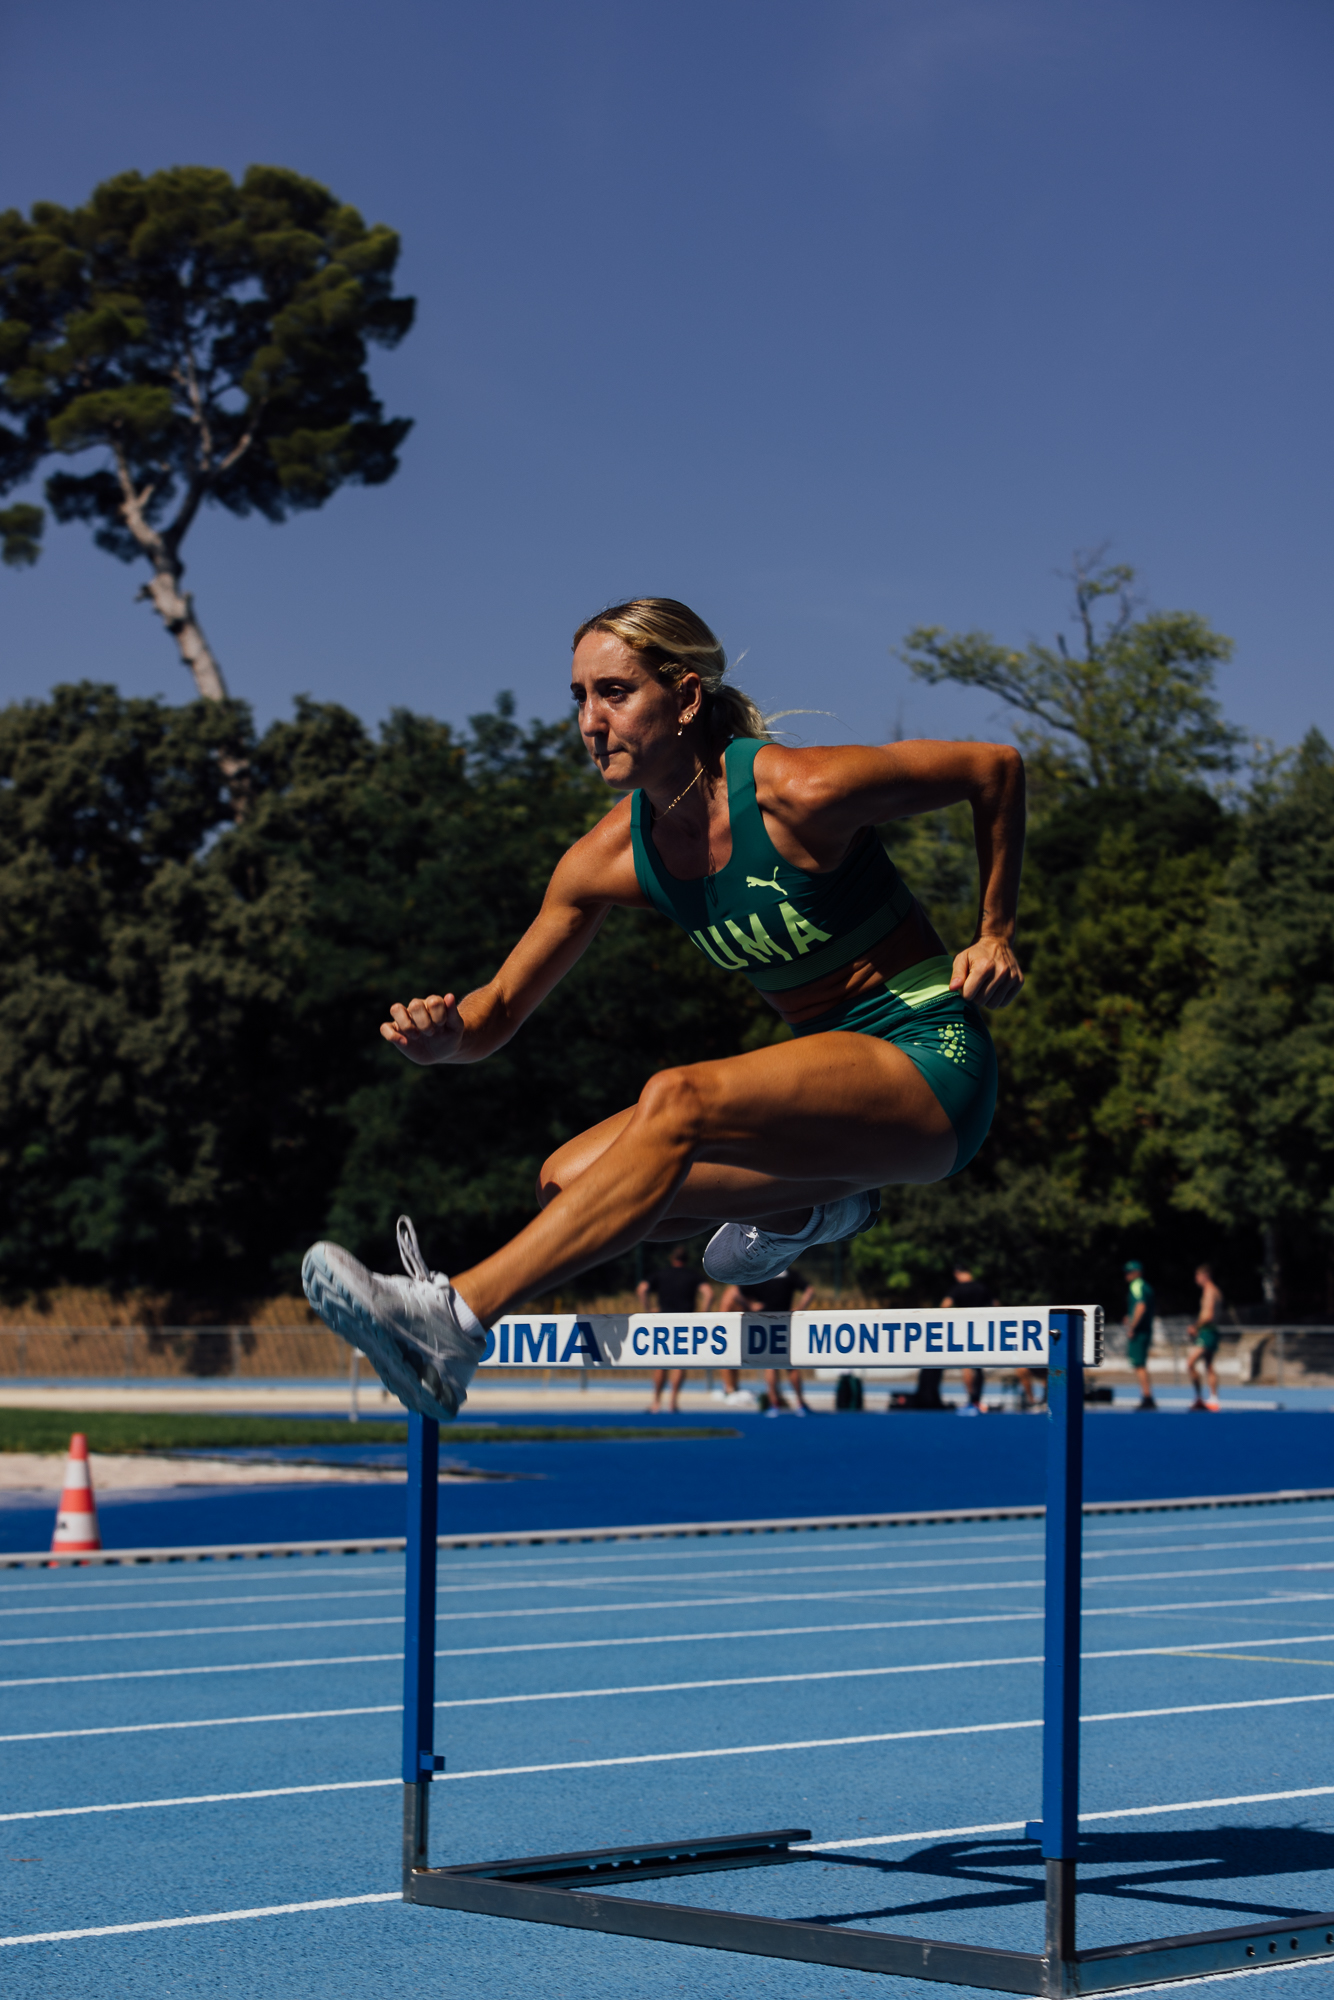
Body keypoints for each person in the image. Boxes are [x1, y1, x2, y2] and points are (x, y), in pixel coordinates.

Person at [300, 597, 1025, 1423]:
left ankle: (454, 1320)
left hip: (931, 1059)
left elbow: (993, 768)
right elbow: (496, 1009)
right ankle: (811, 1207)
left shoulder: (795, 790)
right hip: (834, 1097)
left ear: (683, 699)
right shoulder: (610, 857)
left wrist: (994, 932)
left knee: (677, 1099)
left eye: (614, 692)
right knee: (569, 1183)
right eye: (577, 697)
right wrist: (445, 1039)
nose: (589, 720)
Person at [718, 1269, 815, 1413]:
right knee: (791, 1365)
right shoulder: (789, 1273)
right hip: (785, 1322)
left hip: (764, 1324)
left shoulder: (761, 1274)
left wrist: (750, 1306)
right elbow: (810, 1291)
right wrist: (800, 1308)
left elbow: (735, 1292)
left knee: (770, 1365)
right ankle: (800, 1403)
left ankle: (774, 1403)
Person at [636, 1243, 714, 1412]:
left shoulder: (662, 1274)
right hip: (685, 1321)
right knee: (679, 1363)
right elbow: (708, 1292)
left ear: (672, 1258)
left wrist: (648, 1310)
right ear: (687, 1259)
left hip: (663, 1320)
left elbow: (642, 1289)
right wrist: (703, 1313)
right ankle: (673, 1402)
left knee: (660, 1363)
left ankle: (656, 1402)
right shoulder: (693, 1275)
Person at [940, 1261, 995, 1413]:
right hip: (981, 1329)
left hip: (964, 1330)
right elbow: (996, 1306)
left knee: (967, 1366)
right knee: (979, 1367)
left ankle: (971, 1399)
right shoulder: (982, 1287)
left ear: (957, 1274)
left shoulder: (957, 1289)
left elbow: (945, 1306)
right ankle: (978, 1399)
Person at [1186, 1263, 1224, 1412]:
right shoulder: (1212, 1291)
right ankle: (1211, 1398)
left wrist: (1195, 1326)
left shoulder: (1210, 1291)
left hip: (1208, 1331)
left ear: (1205, 1276)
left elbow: (1208, 1315)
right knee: (1208, 1365)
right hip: (1209, 1331)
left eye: (1198, 1275)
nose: (1196, 1279)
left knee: (1190, 1363)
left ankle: (1202, 1397)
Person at [1124, 1259, 1156, 1409]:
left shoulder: (1137, 1285)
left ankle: (1147, 1396)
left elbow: (1141, 1306)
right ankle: (1147, 1395)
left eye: (1129, 1272)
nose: (1127, 1275)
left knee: (1139, 1364)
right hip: (1146, 1330)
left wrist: (1132, 1326)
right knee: (1141, 1364)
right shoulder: (1147, 1287)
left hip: (1140, 1331)